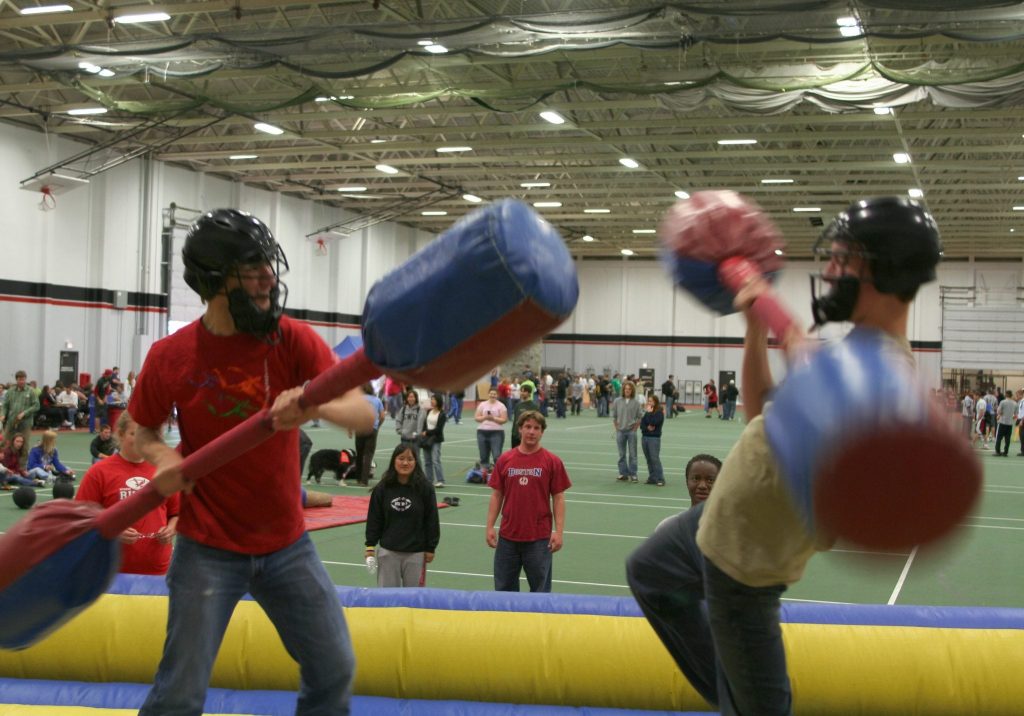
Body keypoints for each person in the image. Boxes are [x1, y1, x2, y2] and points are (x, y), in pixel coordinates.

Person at [627, 196, 941, 716]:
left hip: (745, 562)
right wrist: (756, 329)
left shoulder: (888, 371)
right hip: (714, 522)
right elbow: (760, 414)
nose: (830, 270)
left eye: (842, 259)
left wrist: (793, 336)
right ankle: (730, 697)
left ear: (880, 269)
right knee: (650, 574)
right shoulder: (847, 354)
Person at [128, 208, 374, 716]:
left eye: (268, 264)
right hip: (207, 547)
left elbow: (364, 413)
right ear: (214, 280)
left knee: (335, 669)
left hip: (287, 544)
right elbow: (141, 429)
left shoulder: (291, 338)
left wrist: (312, 400)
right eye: (252, 266)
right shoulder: (170, 356)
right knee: (179, 693)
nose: (268, 277)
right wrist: (162, 455)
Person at [76, 413, 181, 574]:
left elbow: (176, 513)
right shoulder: (99, 472)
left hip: (157, 570)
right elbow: (81, 520)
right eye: (134, 434)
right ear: (121, 434)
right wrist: (111, 531)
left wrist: (170, 529)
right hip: (111, 572)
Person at [485, 410, 571, 592]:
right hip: (507, 538)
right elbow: (496, 495)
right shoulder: (505, 460)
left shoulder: (552, 461)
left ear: (542, 432)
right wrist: (490, 526)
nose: (531, 432)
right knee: (503, 592)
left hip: (539, 539)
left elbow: (558, 497)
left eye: (536, 428)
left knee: (540, 592)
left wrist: (559, 532)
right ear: (520, 430)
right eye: (528, 427)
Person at [364, 444, 440, 587]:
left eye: (410, 459)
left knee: (414, 599)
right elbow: (375, 518)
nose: (405, 463)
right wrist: (370, 546)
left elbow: (432, 519)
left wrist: (431, 547)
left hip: (416, 554)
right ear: (394, 461)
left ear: (416, 463)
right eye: (401, 458)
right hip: (388, 552)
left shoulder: (425, 488)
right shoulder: (382, 488)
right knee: (387, 598)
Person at [351, 383, 385, 487]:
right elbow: (382, 416)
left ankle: (358, 478)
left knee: (359, 454)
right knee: (368, 455)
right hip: (372, 429)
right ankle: (364, 480)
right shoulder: (377, 400)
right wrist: (377, 426)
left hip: (360, 428)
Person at [611, 380, 642, 483]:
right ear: (623, 390)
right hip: (620, 432)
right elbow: (614, 416)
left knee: (633, 455)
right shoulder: (617, 401)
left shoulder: (636, 402)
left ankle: (633, 474)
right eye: (625, 389)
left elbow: (639, 417)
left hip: (631, 432)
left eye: (629, 389)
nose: (627, 390)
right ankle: (623, 473)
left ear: (632, 390)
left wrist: (635, 429)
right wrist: (617, 427)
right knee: (621, 454)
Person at [1, 370, 38, 447]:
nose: (22, 382)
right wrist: (3, 414)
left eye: (23, 379)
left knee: (23, 445)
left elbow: (36, 405)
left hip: (25, 423)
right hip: (11, 422)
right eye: (20, 380)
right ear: (16, 380)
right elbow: (5, 405)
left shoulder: (31, 391)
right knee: (4, 443)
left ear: (25, 379)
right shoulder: (10, 391)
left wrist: (24, 413)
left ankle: (23, 459)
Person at [475, 388, 508, 473]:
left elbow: (504, 420)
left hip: (496, 433)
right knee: (483, 455)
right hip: (482, 432)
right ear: (488, 394)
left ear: (497, 395)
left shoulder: (501, 406)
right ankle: (484, 474)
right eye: (491, 393)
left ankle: (498, 473)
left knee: (496, 455)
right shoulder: (482, 404)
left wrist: (493, 418)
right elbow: (477, 418)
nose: (492, 395)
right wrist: (485, 417)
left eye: (494, 394)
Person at [419, 393, 447, 488]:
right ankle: (429, 480)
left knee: (435, 460)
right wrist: (423, 431)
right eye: (431, 399)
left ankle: (440, 480)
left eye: (434, 399)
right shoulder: (429, 411)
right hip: (426, 439)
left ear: (438, 401)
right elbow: (424, 424)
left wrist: (427, 432)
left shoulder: (442, 414)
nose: (432, 401)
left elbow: (439, 429)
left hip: (436, 439)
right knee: (427, 461)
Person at [641, 394, 665, 486]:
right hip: (645, 438)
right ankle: (652, 477)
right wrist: (647, 428)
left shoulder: (659, 413)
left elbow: (654, 422)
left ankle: (660, 478)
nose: (649, 402)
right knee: (648, 459)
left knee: (654, 459)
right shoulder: (646, 412)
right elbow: (642, 425)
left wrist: (650, 413)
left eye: (651, 401)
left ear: (655, 402)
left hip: (654, 439)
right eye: (648, 401)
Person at [510, 384, 539, 449]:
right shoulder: (518, 405)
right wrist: (514, 432)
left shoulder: (534, 406)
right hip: (515, 435)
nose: (522, 393)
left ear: (529, 393)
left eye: (524, 391)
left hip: (526, 435)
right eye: (521, 391)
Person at [995, 391, 1017, 456]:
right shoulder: (1015, 403)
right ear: (1011, 395)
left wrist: (1000, 414)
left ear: (1006, 395)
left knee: (999, 437)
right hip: (1010, 424)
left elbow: (999, 411)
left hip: (1002, 422)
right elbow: (1015, 415)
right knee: (1007, 439)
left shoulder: (1003, 402)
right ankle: (1005, 452)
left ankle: (998, 451)